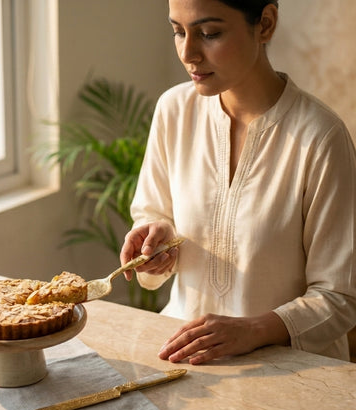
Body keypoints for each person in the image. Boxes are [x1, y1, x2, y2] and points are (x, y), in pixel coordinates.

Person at [120, 0, 356, 364]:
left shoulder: (321, 138)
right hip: (184, 364)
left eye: (209, 33)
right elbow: (153, 215)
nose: (188, 53)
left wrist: (253, 330)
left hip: (293, 376)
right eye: (178, 32)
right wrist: (155, 250)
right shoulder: (173, 112)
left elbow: (340, 297)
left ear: (265, 23)